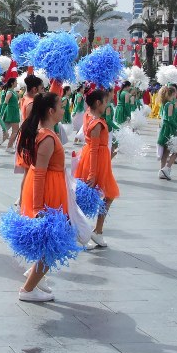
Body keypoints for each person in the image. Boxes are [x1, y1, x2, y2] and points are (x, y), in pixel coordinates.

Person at [17, 92, 68, 303]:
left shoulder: (46, 133)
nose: (64, 110)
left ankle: (34, 275)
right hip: (48, 190)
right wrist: (37, 207)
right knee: (52, 242)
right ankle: (28, 289)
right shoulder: (46, 137)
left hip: (50, 187)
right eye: (61, 106)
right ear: (51, 111)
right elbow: (39, 172)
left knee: (53, 239)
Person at [74, 89, 119, 248]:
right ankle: (93, 231)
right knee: (108, 194)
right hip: (96, 160)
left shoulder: (88, 114)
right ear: (98, 103)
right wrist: (93, 174)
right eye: (106, 102)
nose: (108, 105)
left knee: (91, 196)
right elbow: (94, 149)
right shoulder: (97, 124)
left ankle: (89, 231)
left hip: (91, 157)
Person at [157, 85, 177, 180]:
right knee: (176, 151)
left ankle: (162, 171)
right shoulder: (170, 104)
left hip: (165, 129)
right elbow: (169, 119)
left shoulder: (165, 103)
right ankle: (167, 168)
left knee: (165, 152)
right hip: (169, 129)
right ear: (173, 93)